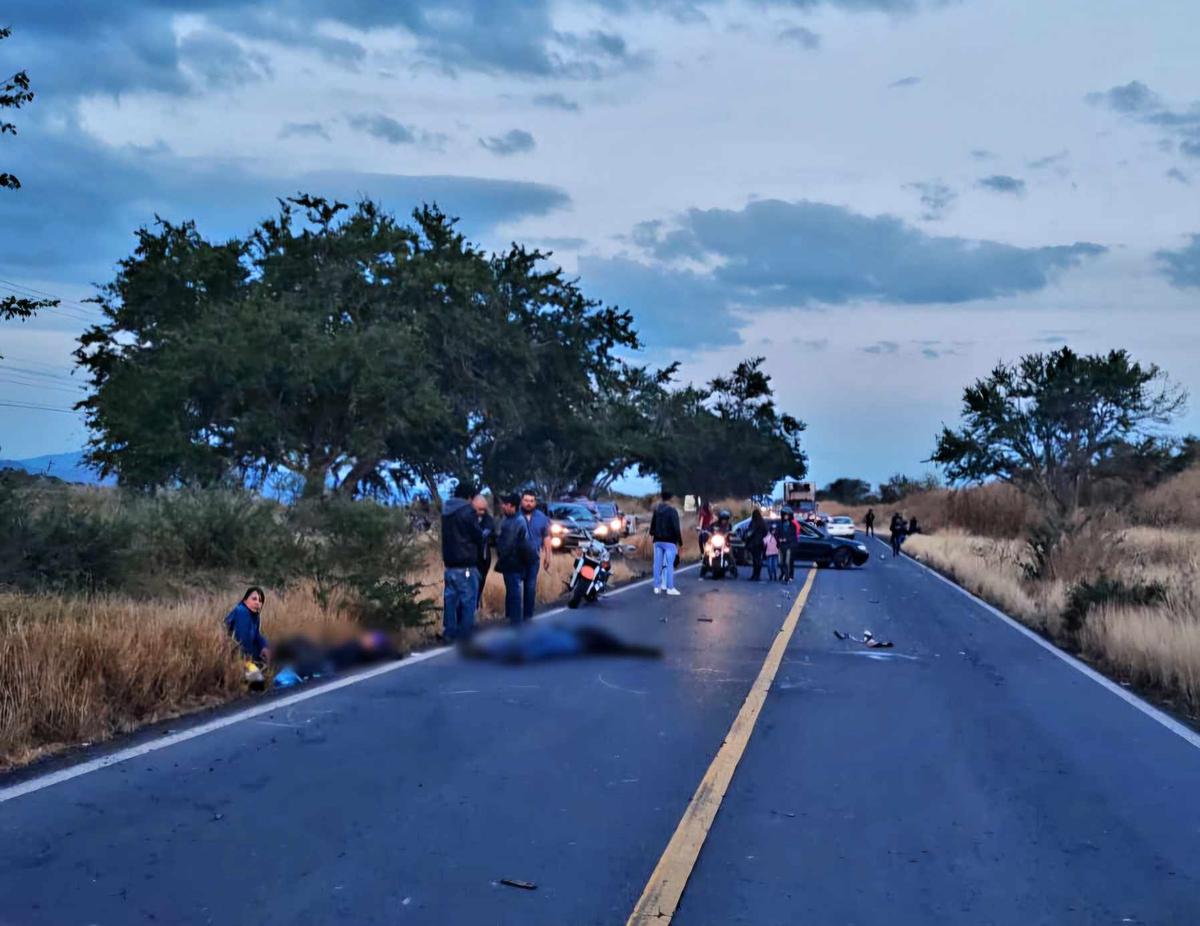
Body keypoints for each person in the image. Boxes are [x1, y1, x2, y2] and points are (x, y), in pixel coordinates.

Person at [441, 483, 486, 641]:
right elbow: (477, 535)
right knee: (468, 600)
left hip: (450, 564)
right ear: (469, 497)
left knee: (450, 600)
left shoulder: (446, 510)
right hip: (466, 562)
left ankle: (449, 632)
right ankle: (465, 634)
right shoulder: (467, 511)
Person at [504, 489, 553, 623]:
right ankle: (512, 618)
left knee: (530, 588)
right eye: (526, 500)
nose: (529, 504)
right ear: (521, 501)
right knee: (514, 589)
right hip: (516, 559)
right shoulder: (513, 515)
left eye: (531, 501)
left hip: (533, 559)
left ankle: (528, 618)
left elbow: (546, 537)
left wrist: (548, 556)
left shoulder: (542, 518)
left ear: (535, 502)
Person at [649, 490, 683, 596]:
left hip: (658, 540)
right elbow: (676, 528)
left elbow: (652, 526)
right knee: (669, 565)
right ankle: (670, 587)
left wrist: (653, 533)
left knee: (657, 564)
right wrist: (680, 542)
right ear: (671, 499)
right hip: (670, 541)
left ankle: (657, 587)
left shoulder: (657, 510)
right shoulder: (672, 511)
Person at [224, 587, 270, 663]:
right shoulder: (242, 611)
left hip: (245, 652)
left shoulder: (255, 615)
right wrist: (252, 661)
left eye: (260, 601)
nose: (257, 602)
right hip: (234, 654)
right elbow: (243, 641)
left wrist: (264, 646)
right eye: (254, 599)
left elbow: (256, 634)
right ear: (245, 600)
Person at [475, 495, 495, 609]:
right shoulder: (468, 518)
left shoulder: (488, 519)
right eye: (479, 509)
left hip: (483, 558)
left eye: (484, 509)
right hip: (470, 559)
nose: (481, 512)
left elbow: (488, 533)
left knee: (480, 583)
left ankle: (477, 606)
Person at [775, 507, 802, 583]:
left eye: (787, 515)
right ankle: (784, 574)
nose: (785, 516)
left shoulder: (792, 525)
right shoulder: (780, 524)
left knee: (787, 562)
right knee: (780, 562)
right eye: (784, 515)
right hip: (781, 546)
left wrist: (786, 539)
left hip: (789, 546)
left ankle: (787, 576)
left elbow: (794, 536)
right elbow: (776, 534)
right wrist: (779, 539)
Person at [744, 508, 768, 580]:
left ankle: (755, 575)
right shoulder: (762, 522)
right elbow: (766, 532)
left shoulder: (754, 522)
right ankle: (758, 575)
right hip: (761, 543)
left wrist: (746, 537)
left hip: (754, 543)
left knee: (755, 560)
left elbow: (750, 532)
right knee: (758, 559)